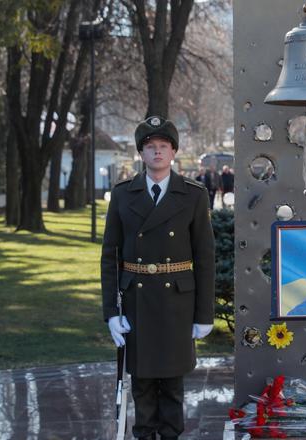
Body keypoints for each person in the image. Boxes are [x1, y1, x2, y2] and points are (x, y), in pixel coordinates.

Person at [101, 116, 216, 440]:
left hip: (177, 303)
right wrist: (112, 312)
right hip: (137, 301)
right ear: (141, 153)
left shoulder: (193, 195)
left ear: (174, 152)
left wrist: (204, 315)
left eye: (163, 147)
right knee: (142, 382)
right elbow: (110, 256)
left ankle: (170, 435)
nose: (157, 153)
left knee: (173, 385)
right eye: (150, 147)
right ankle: (144, 434)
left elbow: (205, 257)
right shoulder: (124, 194)